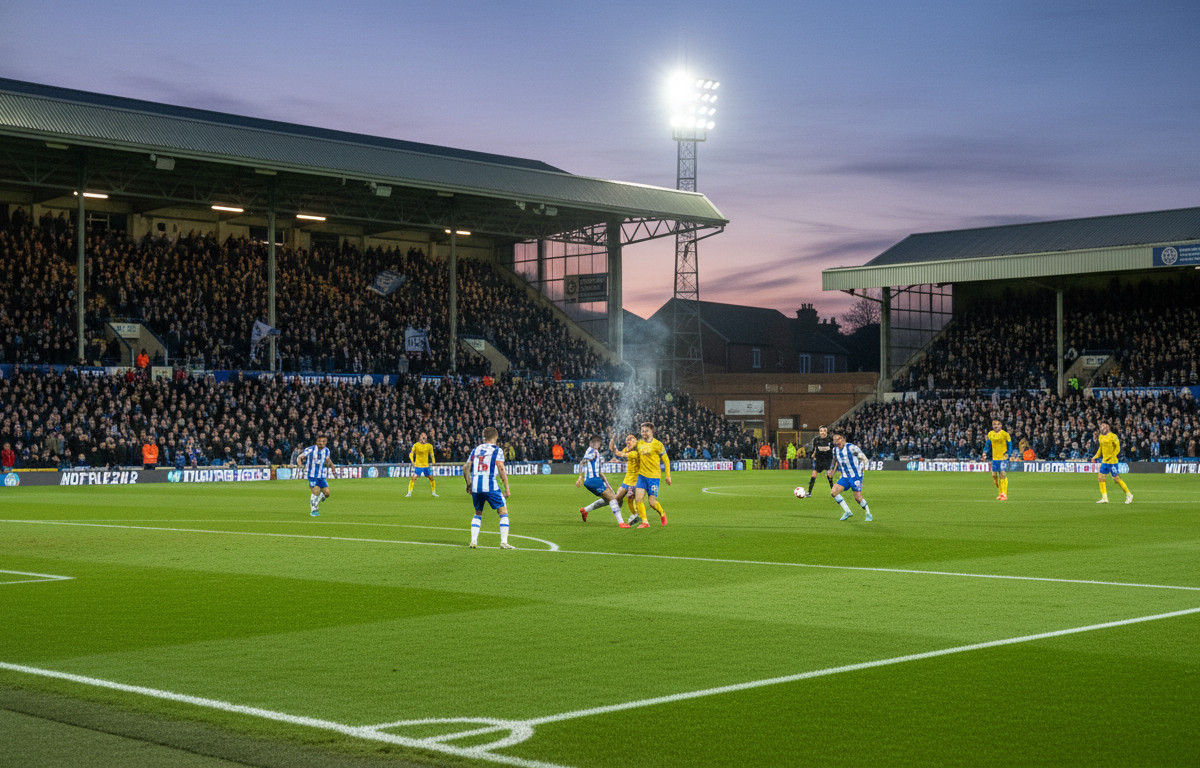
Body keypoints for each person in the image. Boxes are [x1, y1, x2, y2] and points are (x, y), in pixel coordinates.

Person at [464, 427, 513, 549]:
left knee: (478, 513)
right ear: (496, 437)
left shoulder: (476, 449)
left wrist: (469, 484)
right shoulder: (497, 450)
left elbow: (465, 467)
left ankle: (473, 541)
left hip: (476, 486)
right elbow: (501, 468)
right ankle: (504, 542)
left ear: (484, 437)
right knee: (503, 510)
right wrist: (507, 488)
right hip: (490, 485)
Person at [575, 434, 628, 527]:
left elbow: (599, 472)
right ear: (591, 443)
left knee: (608, 499)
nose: (596, 444)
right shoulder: (593, 451)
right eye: (594, 442)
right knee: (612, 498)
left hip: (595, 480)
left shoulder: (594, 453)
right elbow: (582, 463)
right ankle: (621, 523)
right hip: (593, 480)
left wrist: (606, 483)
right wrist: (580, 477)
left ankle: (585, 510)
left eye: (598, 442)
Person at [635, 422, 671, 527]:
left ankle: (662, 513)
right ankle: (645, 522)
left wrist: (667, 475)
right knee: (638, 499)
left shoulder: (658, 444)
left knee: (652, 502)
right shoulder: (639, 443)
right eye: (642, 431)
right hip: (641, 476)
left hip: (654, 477)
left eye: (646, 431)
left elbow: (666, 460)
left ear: (652, 431)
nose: (644, 433)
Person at [830, 432, 872, 522]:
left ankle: (868, 513)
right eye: (835, 440)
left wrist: (864, 467)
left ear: (843, 439)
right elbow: (834, 460)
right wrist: (831, 470)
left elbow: (864, 458)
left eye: (839, 439)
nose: (837, 441)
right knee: (834, 492)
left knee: (858, 497)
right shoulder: (835, 450)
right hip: (845, 476)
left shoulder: (851, 447)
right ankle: (847, 511)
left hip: (855, 476)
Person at [1093, 422, 1132, 504]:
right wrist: (1096, 456)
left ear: (1107, 428)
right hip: (1104, 461)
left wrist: (1112, 456)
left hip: (1112, 461)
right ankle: (1104, 498)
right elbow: (1101, 448)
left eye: (1104, 426)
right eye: (1101, 427)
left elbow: (1118, 448)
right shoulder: (1100, 437)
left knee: (1116, 479)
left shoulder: (1113, 436)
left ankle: (1129, 495)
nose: (1102, 428)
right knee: (1101, 477)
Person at [610, 433, 643, 525]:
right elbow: (614, 450)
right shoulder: (628, 450)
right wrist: (612, 440)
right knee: (617, 498)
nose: (628, 441)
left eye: (630, 440)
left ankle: (636, 514)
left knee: (630, 497)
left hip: (635, 481)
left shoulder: (635, 452)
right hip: (627, 480)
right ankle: (634, 514)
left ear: (635, 441)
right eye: (627, 440)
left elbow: (618, 453)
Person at [297, 435, 335, 517]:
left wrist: (332, 466)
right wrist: (300, 464)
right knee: (316, 491)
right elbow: (300, 457)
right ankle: (314, 510)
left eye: (323, 441)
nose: (321, 443)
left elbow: (327, 460)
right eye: (320, 441)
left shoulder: (327, 450)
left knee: (327, 494)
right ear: (316, 442)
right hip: (312, 475)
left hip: (321, 476)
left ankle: (317, 500)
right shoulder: (310, 449)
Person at [985, 419, 1013, 501]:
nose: (996, 426)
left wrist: (1009, 453)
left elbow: (1010, 444)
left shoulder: (1005, 434)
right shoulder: (990, 434)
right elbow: (987, 444)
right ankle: (1000, 492)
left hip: (1003, 457)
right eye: (994, 424)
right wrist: (984, 452)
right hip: (995, 458)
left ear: (1001, 425)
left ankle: (1004, 493)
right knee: (994, 475)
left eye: (998, 424)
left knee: (1003, 473)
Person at [806, 426, 836, 497]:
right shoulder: (816, 440)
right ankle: (809, 493)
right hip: (818, 460)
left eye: (824, 431)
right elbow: (815, 449)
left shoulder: (830, 440)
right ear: (819, 432)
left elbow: (834, 450)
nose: (823, 432)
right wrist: (813, 455)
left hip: (827, 460)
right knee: (813, 475)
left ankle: (834, 493)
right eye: (821, 431)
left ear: (826, 432)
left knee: (829, 476)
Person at [406, 432, 438, 498]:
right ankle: (409, 493)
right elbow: (411, 454)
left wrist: (434, 462)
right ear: (420, 437)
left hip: (426, 466)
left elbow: (432, 455)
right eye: (422, 435)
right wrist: (412, 461)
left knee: (431, 478)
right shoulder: (416, 445)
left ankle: (434, 492)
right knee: (413, 478)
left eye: (425, 435)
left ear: (426, 438)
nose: (423, 437)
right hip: (418, 465)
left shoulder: (429, 446)